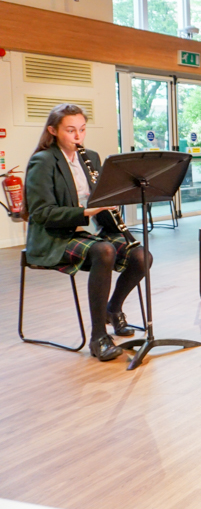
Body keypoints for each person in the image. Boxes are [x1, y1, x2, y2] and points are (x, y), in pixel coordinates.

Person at [23, 104, 153, 361]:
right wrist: (86, 212)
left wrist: (113, 203)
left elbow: (101, 200)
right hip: (55, 237)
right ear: (53, 130)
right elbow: (41, 213)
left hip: (91, 233)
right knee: (103, 251)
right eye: (70, 130)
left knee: (141, 256)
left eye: (82, 129)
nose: (78, 136)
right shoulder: (44, 160)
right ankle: (98, 337)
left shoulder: (90, 157)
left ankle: (113, 309)